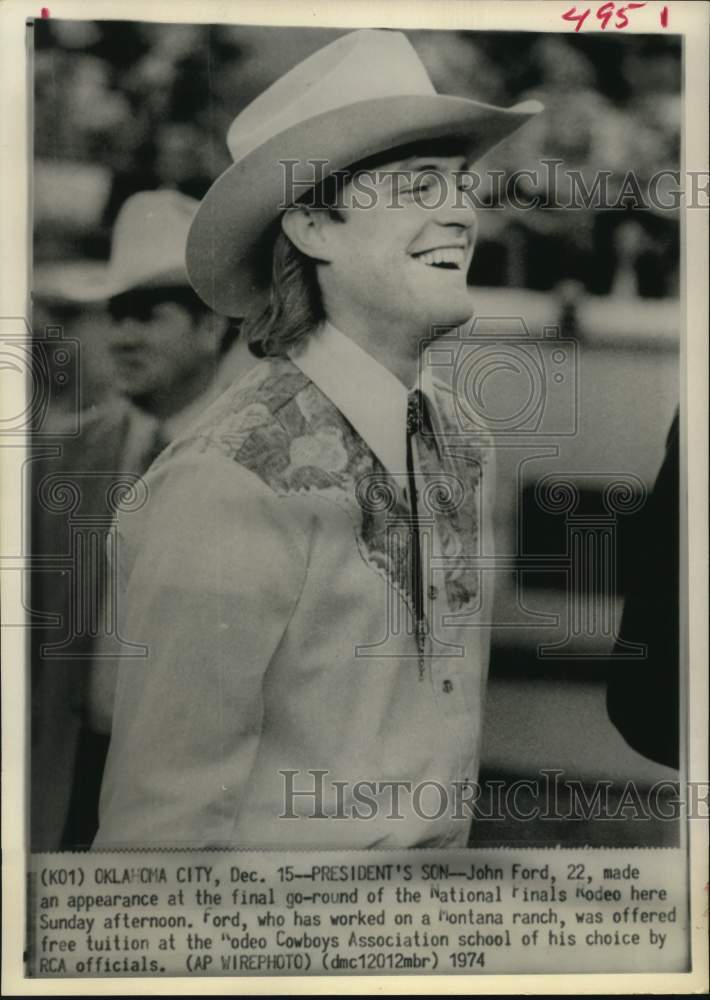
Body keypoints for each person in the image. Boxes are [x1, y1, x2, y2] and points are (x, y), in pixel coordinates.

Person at [93, 29, 541, 849]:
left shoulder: (465, 446)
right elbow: (156, 840)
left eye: (457, 185)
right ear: (312, 227)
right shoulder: (227, 481)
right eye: (415, 186)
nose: (459, 214)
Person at [31, 189, 255, 850]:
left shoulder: (257, 464)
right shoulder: (64, 458)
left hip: (198, 805)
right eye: (115, 314)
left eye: (147, 315)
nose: (122, 337)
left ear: (211, 327)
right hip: (67, 785)